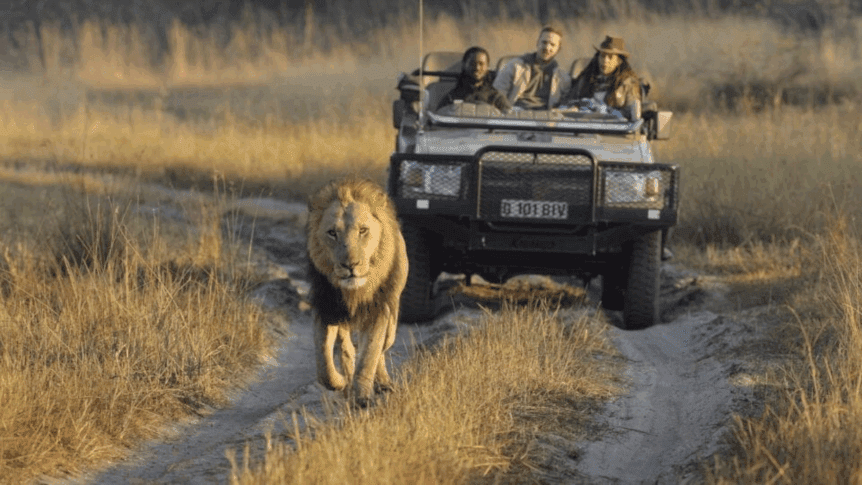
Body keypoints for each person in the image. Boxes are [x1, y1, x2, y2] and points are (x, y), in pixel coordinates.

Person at [492, 26, 571, 110]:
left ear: (558, 49)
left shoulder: (563, 77)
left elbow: (565, 103)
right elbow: (498, 92)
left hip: (546, 115)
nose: (547, 48)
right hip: (516, 111)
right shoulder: (515, 66)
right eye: (544, 42)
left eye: (552, 45)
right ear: (537, 43)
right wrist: (507, 111)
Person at [565, 35, 642, 115]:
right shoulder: (586, 77)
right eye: (602, 55)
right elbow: (569, 102)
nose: (605, 60)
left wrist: (608, 112)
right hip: (583, 123)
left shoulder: (628, 82)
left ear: (619, 61)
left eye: (610, 57)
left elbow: (633, 114)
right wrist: (578, 107)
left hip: (615, 125)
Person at [436, 46, 512, 113]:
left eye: (481, 64)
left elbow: (510, 119)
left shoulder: (496, 98)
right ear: (464, 65)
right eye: (472, 63)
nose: (477, 68)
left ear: (487, 67)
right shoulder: (452, 97)